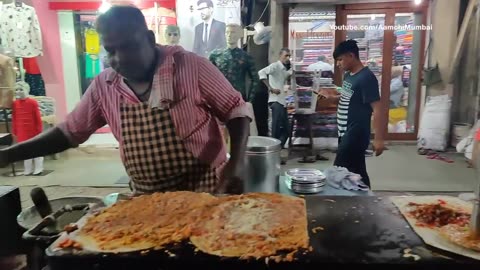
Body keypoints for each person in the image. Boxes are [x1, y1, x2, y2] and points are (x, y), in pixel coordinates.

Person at [0, 6, 251, 194]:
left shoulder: (191, 67)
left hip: (204, 193)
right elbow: (69, 133)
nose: (119, 58)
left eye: (128, 47)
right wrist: (10, 154)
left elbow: (235, 111)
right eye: (110, 50)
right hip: (146, 204)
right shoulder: (104, 86)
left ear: (150, 40)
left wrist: (237, 163)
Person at [333, 40, 385, 187]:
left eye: (340, 59)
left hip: (356, 132)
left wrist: (379, 138)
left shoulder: (366, 78)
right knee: (357, 170)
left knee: (339, 170)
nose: (338, 64)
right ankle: (367, 198)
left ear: (351, 55)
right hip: (345, 130)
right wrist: (331, 96)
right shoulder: (348, 76)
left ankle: (343, 200)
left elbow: (378, 108)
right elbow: (347, 97)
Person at [258, 48, 292, 150]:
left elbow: (287, 76)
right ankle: (273, 150)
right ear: (280, 55)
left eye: (289, 56)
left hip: (282, 101)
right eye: (286, 55)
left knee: (287, 129)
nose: (287, 58)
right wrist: (270, 88)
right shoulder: (275, 66)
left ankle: (277, 148)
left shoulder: (283, 69)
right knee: (276, 128)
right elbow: (261, 72)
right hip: (276, 101)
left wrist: (290, 70)